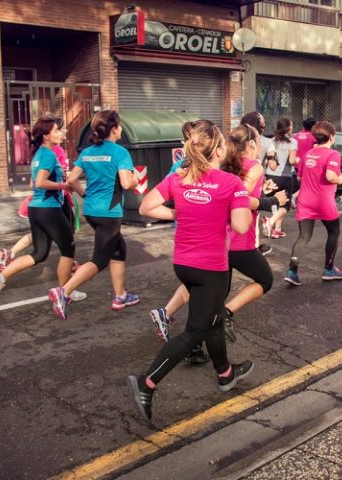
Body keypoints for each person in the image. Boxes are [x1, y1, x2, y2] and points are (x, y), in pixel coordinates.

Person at [127, 122, 253, 421]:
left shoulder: (179, 177)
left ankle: (224, 372)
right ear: (219, 150)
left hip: (183, 265)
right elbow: (241, 226)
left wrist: (178, 211)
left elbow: (145, 208)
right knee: (196, 330)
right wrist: (242, 201)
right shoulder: (231, 183)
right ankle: (147, 383)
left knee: (212, 320)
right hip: (211, 268)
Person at [151, 123, 285, 354]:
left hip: (214, 242)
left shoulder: (219, 165)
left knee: (206, 299)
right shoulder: (252, 166)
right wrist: (271, 202)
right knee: (264, 280)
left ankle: (197, 349)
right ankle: (225, 315)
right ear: (253, 144)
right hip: (236, 241)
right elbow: (241, 199)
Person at [47, 110, 138, 320]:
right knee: (99, 259)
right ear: (114, 129)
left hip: (91, 211)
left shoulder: (87, 152)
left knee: (118, 249)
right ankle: (64, 292)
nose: (121, 129)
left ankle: (120, 295)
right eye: (120, 125)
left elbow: (71, 180)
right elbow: (126, 182)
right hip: (109, 213)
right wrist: (136, 180)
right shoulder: (120, 152)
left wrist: (84, 194)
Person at [0, 116, 78, 304]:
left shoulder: (39, 154)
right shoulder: (49, 155)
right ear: (46, 136)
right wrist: (63, 186)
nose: (61, 134)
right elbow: (39, 182)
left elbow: (33, 182)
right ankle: (64, 292)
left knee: (39, 253)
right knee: (69, 249)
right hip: (48, 209)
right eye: (57, 131)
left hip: (37, 209)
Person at [283, 121, 342, 286]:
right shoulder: (333, 154)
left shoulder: (308, 154)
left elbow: (300, 177)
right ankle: (329, 269)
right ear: (331, 137)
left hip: (305, 200)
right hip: (323, 201)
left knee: (304, 236)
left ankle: (292, 271)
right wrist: (340, 179)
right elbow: (331, 176)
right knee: (334, 232)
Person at [241, 111, 274, 256]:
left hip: (249, 184)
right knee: (252, 219)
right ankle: (252, 250)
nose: (264, 128)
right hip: (251, 186)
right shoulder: (265, 142)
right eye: (263, 125)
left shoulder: (235, 139)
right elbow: (273, 164)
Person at [262, 117, 298, 238]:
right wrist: (299, 159)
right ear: (288, 128)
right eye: (291, 126)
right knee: (286, 206)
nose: (292, 128)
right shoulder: (292, 142)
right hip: (284, 177)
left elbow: (267, 161)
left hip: (270, 175)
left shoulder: (271, 141)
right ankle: (270, 221)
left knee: (276, 203)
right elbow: (292, 160)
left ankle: (277, 230)